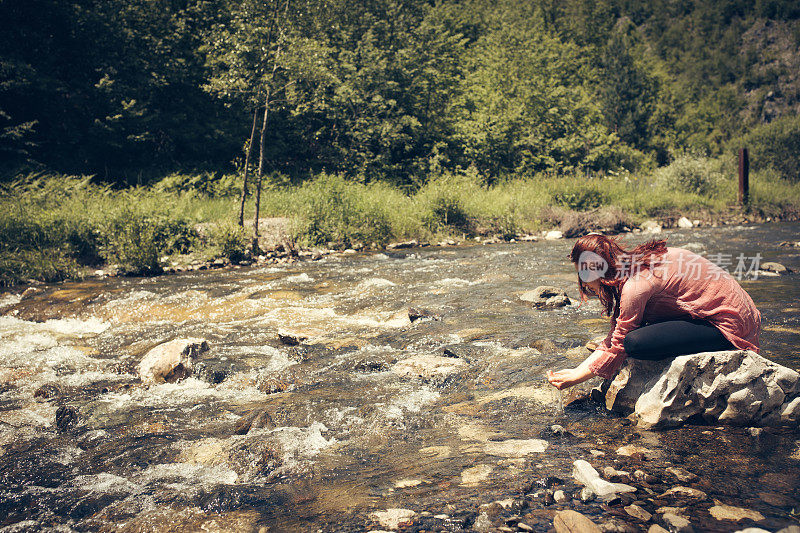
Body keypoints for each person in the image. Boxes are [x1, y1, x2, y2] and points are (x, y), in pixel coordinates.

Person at [547, 234, 761, 390]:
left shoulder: (636, 286)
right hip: (737, 314)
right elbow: (614, 334)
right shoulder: (637, 262)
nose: (584, 284)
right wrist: (577, 369)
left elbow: (619, 344)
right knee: (637, 332)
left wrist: (577, 378)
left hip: (728, 326)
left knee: (635, 343)